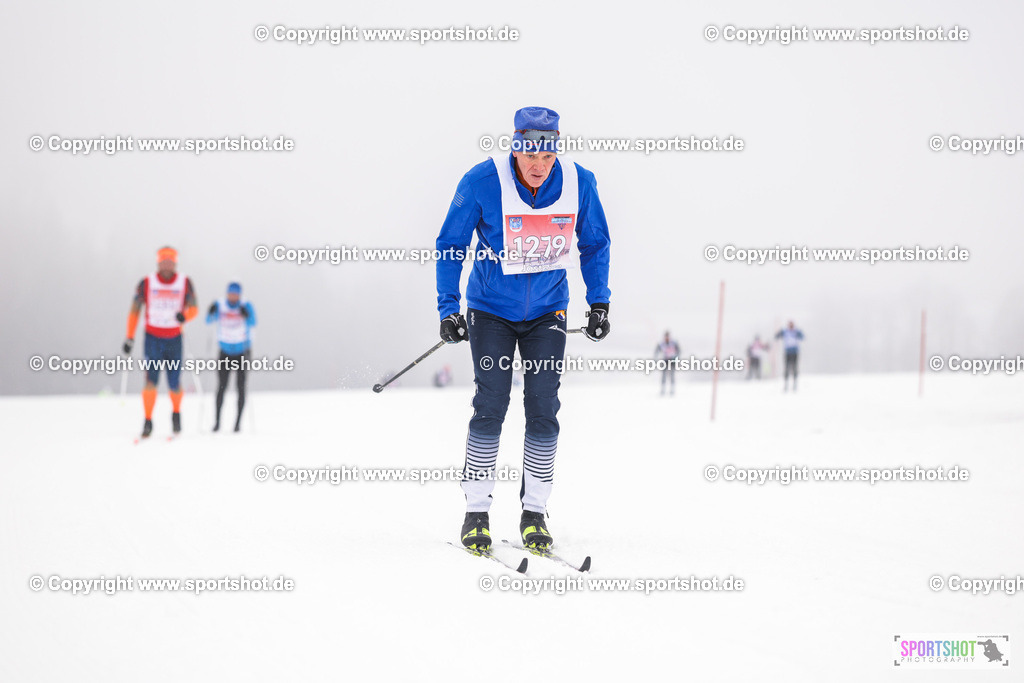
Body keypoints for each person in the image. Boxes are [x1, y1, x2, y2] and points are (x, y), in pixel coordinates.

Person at [435, 106, 611, 551]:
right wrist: (448, 308)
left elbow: (594, 243)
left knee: (543, 408)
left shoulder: (579, 183)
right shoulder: (482, 180)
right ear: (515, 145)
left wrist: (599, 301)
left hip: (548, 312)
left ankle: (534, 512)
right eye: (530, 153)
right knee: (491, 402)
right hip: (490, 310)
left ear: (556, 149)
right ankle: (476, 512)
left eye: (547, 155)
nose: (538, 165)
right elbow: (451, 244)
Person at [123, 246, 198, 438]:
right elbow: (134, 310)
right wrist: (129, 337)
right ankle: (148, 420)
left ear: (175, 263)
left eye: (170, 262)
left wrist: (185, 315)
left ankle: (176, 414)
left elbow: (194, 308)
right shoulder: (147, 283)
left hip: (174, 338)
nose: (167, 265)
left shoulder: (184, 282)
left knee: (174, 381)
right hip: (153, 339)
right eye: (164, 261)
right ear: (158, 263)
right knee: (151, 381)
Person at [206, 282, 257, 432]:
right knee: (221, 387)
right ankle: (217, 422)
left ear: (240, 295)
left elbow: (253, 322)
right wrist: (211, 311)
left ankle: (237, 423)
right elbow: (208, 321)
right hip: (225, 351)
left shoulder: (246, 305)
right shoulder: (220, 304)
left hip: (242, 351)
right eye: (231, 293)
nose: (233, 297)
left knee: (241, 387)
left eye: (236, 294)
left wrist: (245, 315)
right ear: (227, 293)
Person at [774, 321, 805, 391]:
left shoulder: (796, 331)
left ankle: (794, 383)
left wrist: (800, 333)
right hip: (787, 352)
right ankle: (786, 384)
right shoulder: (785, 331)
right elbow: (776, 336)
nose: (790, 326)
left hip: (795, 352)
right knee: (786, 368)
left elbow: (802, 337)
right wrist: (778, 333)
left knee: (794, 368)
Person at [654, 331, 680, 395]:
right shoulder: (662, 343)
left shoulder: (673, 343)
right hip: (665, 360)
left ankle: (672, 389)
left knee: (672, 375)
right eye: (666, 337)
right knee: (664, 375)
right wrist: (656, 358)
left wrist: (676, 358)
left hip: (672, 360)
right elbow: (657, 350)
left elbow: (678, 351)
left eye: (668, 336)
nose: (667, 338)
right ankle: (663, 389)